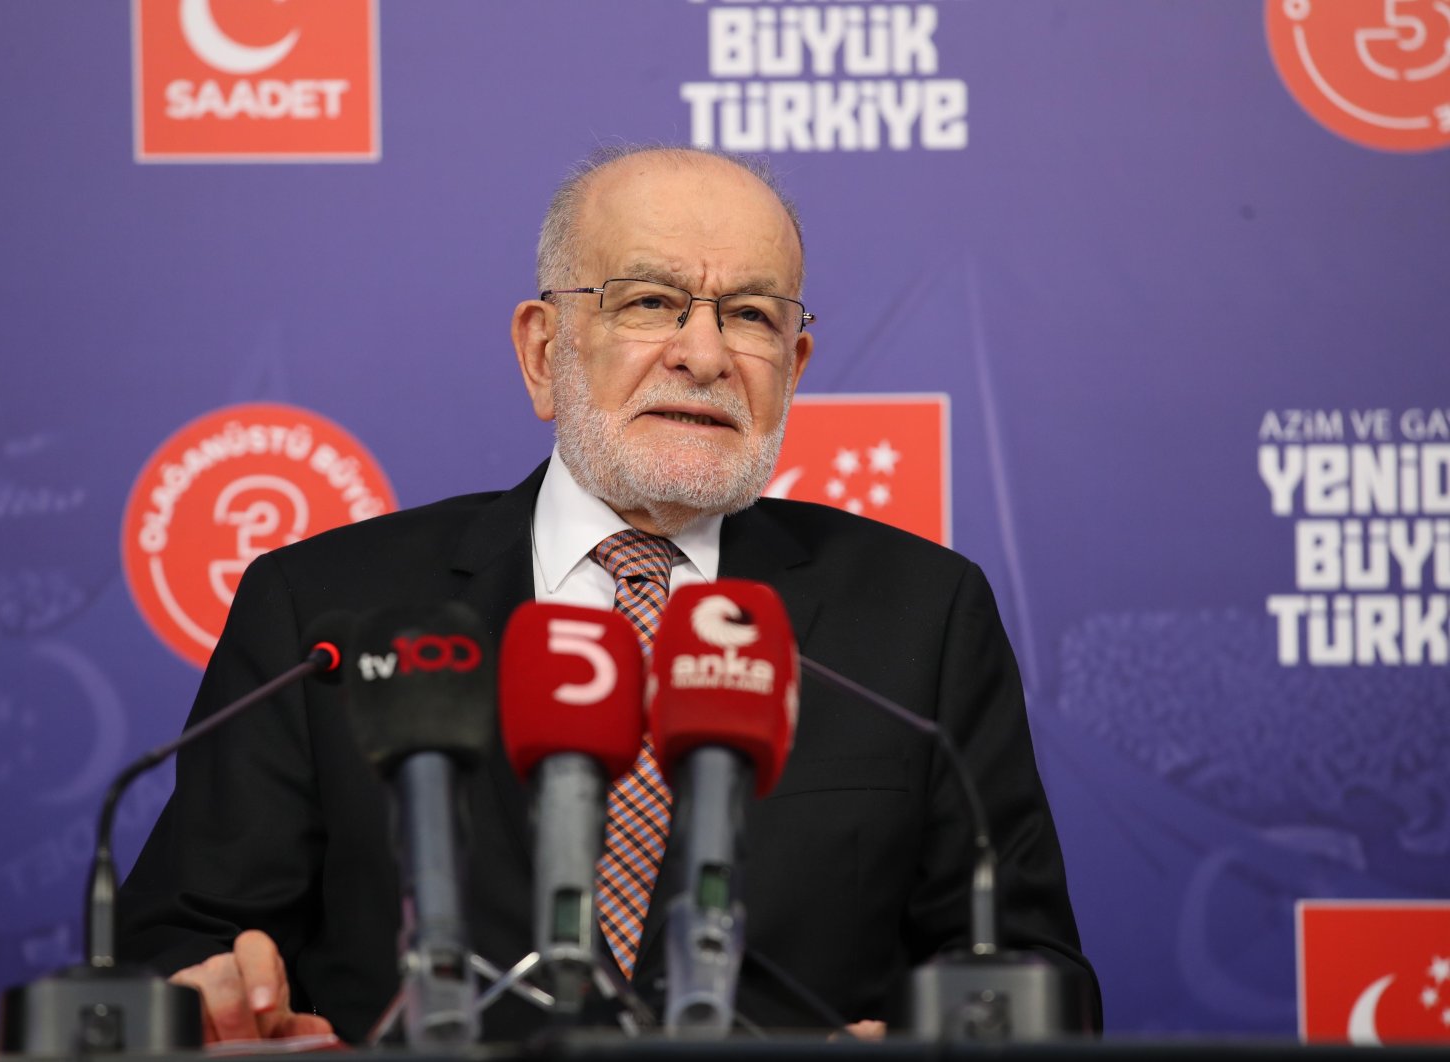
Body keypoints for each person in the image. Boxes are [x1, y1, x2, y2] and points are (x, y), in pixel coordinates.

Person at [116, 145, 1098, 1043]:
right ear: (544, 350)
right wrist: (221, 1011)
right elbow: (170, 956)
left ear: (793, 369)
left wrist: (950, 1036)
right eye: (649, 303)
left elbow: (1039, 980)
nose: (704, 355)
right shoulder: (326, 607)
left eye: (750, 315)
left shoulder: (920, 618)